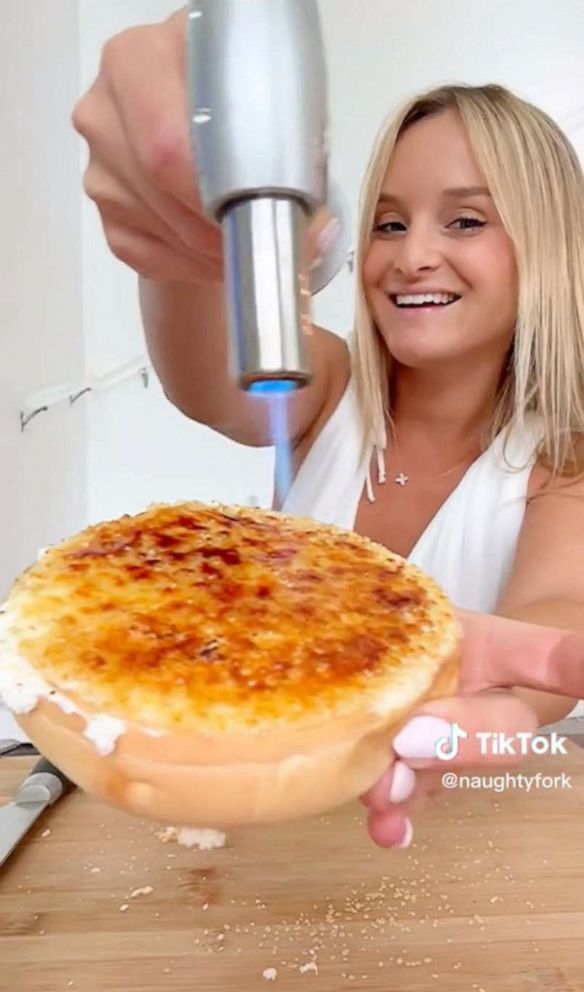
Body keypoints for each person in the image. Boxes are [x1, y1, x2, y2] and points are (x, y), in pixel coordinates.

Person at [72, 8, 584, 848]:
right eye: (389, 221)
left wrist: (504, 693)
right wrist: (188, 243)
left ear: (547, 248)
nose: (412, 255)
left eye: (464, 220)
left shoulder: (561, 462)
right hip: (274, 840)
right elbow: (203, 376)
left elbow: (556, 618)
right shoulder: (328, 388)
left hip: (460, 853)